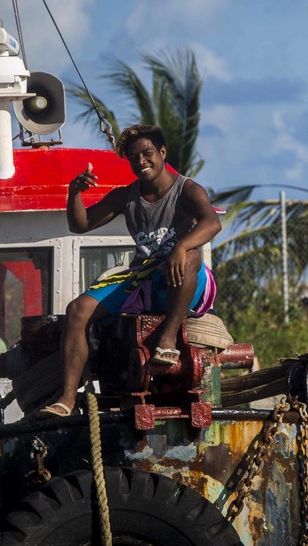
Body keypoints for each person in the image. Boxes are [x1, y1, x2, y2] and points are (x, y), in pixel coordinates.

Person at [37, 124, 222, 418]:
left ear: (162, 152)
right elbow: (80, 225)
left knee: (189, 256)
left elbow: (212, 222)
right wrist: (75, 194)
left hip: (183, 280)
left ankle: (167, 339)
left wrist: (180, 246)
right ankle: (67, 399)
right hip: (144, 278)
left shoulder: (187, 189)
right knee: (77, 310)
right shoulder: (126, 197)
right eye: (134, 157)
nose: (141, 162)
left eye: (147, 153)